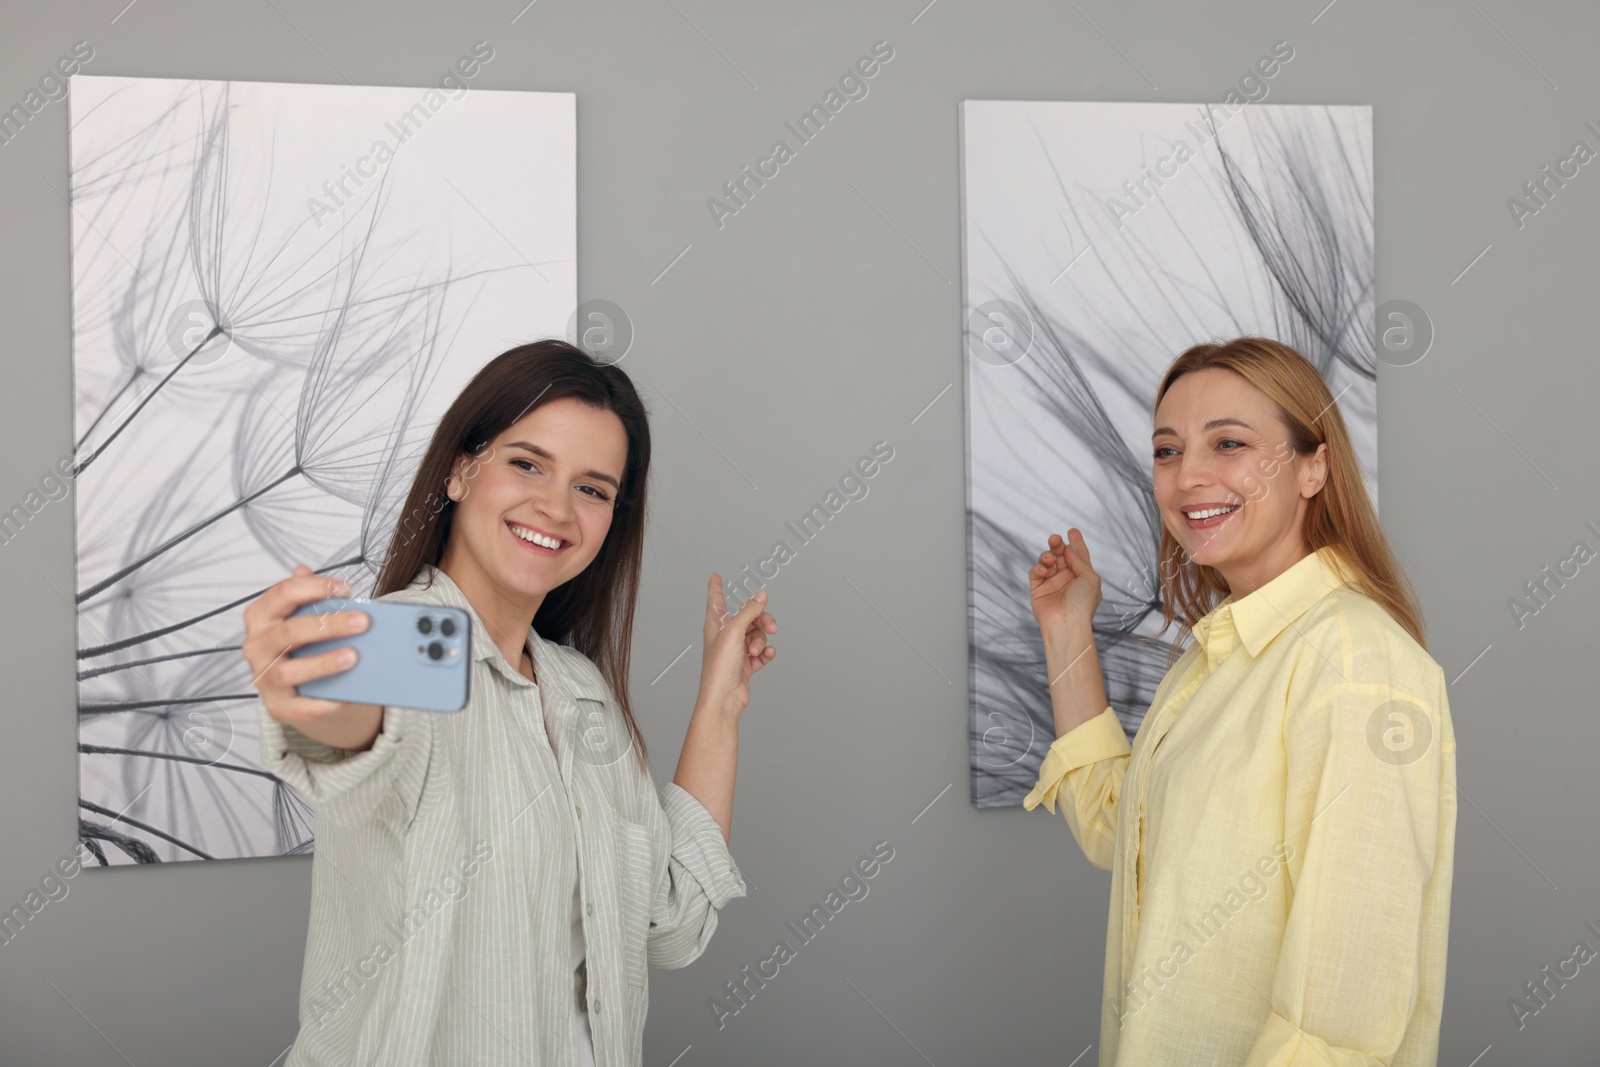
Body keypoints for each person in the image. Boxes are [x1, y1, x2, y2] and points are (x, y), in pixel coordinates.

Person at [242, 339, 778, 1066]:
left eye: (593, 489)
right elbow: (356, 725)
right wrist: (305, 683)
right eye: (528, 463)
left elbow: (671, 924)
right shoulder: (407, 646)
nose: (555, 507)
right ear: (462, 469)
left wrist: (719, 703)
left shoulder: (584, 693)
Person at [1023, 337, 1455, 1065]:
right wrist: (1067, 631)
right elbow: (1120, 834)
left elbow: (1340, 1011)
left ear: (1314, 466)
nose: (1188, 475)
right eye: (1167, 450)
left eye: (1228, 442)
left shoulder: (1354, 661)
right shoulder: (1217, 656)